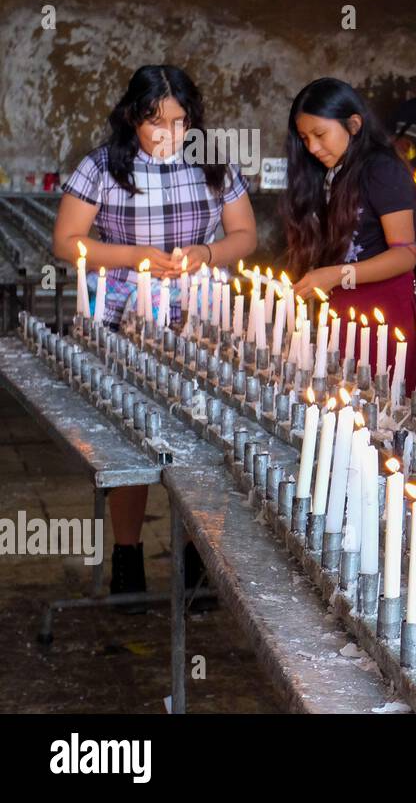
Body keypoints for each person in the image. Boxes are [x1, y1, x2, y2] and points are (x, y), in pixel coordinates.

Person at [52, 64, 257, 602]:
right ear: (132, 118)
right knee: (131, 435)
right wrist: (135, 257)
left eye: (180, 121)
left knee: (201, 434)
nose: (169, 134)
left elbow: (244, 235)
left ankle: (197, 554)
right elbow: (67, 241)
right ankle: (127, 558)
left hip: (198, 313)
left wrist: (206, 254)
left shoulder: (212, 163)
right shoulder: (102, 166)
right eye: (155, 123)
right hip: (124, 309)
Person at [283, 78, 416, 394]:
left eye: (320, 134)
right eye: (305, 138)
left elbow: (405, 254)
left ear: (354, 124)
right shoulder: (331, 172)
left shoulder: (382, 169)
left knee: (380, 406)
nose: (313, 147)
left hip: (382, 309)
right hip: (343, 300)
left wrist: (336, 274)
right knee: (341, 400)